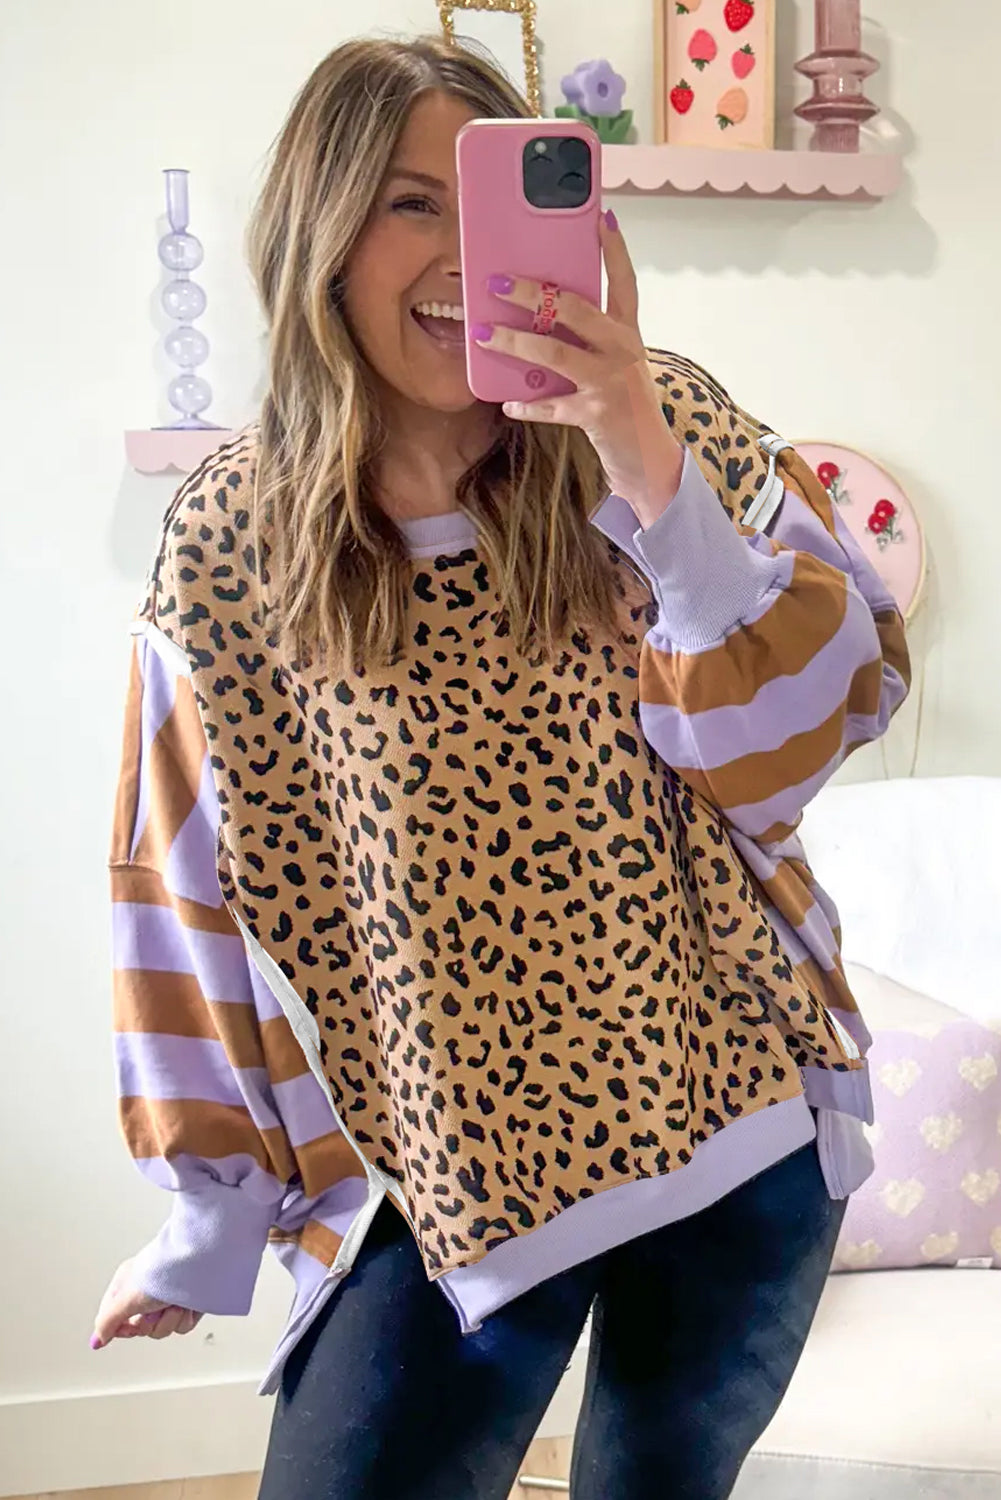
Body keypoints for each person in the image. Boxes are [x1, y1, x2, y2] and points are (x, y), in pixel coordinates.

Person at [93, 33, 910, 1500]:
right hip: (440, 1169)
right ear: (320, 232)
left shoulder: (668, 426)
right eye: (413, 203)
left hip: (732, 1128)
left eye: (492, 204)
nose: (467, 254)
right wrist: (208, 1210)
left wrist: (641, 454)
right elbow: (179, 882)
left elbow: (795, 749)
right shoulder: (236, 537)